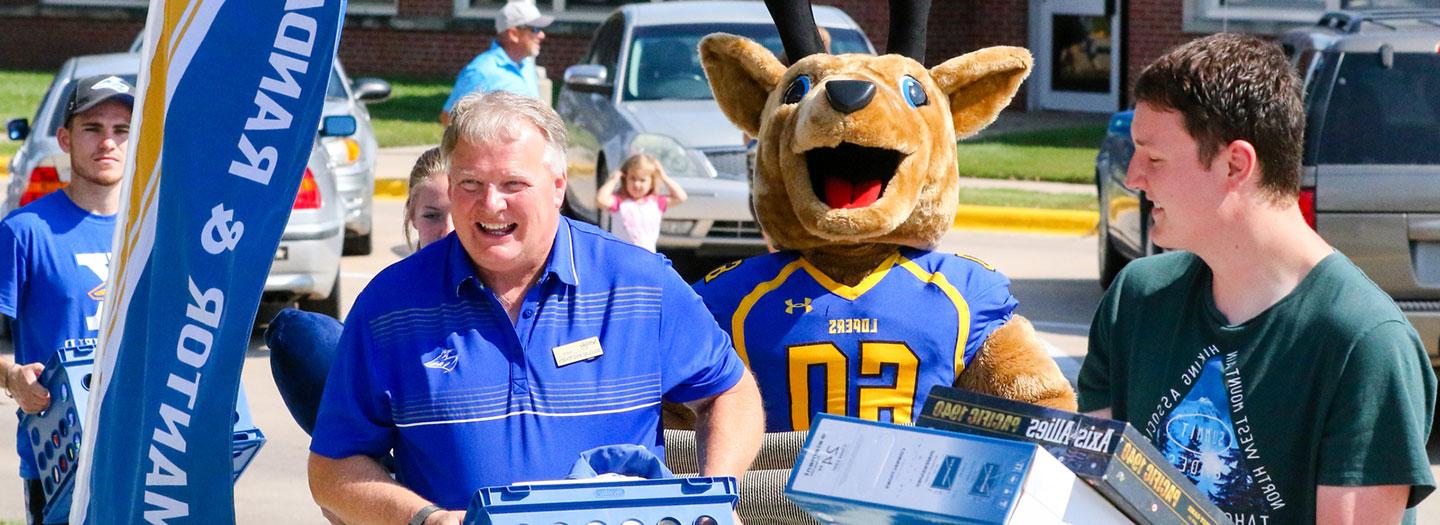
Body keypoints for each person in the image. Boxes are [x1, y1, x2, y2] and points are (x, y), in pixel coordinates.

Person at [308, 91, 764, 525]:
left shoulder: (640, 283)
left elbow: (730, 392)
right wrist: (425, 518)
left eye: (513, 183)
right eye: (470, 183)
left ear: (558, 186)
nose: (491, 204)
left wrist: (712, 498)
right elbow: (332, 467)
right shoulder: (389, 306)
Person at [1077, 33, 1435, 524]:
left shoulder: (1363, 343)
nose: (1134, 177)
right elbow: (1087, 498)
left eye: (1154, 157)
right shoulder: (1136, 299)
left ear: (1235, 164)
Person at [0, 74, 133, 525]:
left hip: (141, 451)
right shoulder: (24, 231)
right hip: (57, 459)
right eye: (93, 128)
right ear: (64, 138)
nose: (108, 143)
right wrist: (12, 377)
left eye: (122, 131)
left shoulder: (152, 235)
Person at [268, 146, 451, 437]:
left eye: (457, 214)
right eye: (433, 215)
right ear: (411, 215)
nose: (447, 230)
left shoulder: (509, 292)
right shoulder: (383, 301)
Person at [439, 0, 552, 125]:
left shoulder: (526, 65)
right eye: (534, 29)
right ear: (513, 34)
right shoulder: (482, 70)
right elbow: (449, 117)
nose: (542, 35)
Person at [594, 153, 687, 252]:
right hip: (622, 253)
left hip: (647, 254)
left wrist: (664, 177)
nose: (637, 184)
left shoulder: (656, 202)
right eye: (632, 178)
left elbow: (681, 197)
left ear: (652, 183)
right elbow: (600, 199)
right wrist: (614, 179)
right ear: (625, 180)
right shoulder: (620, 202)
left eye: (642, 180)